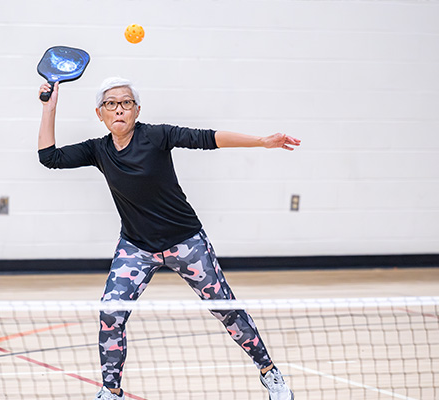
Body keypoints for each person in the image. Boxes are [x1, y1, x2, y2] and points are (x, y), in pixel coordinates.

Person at [38, 77, 300, 400]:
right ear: (100, 114)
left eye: (126, 103)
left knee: (226, 309)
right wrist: (49, 108)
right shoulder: (98, 150)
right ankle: (111, 390)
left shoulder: (156, 136)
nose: (119, 109)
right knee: (110, 312)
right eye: (111, 104)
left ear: (137, 110)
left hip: (186, 242)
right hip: (137, 247)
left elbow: (207, 138)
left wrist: (262, 141)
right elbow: (48, 157)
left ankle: (269, 372)